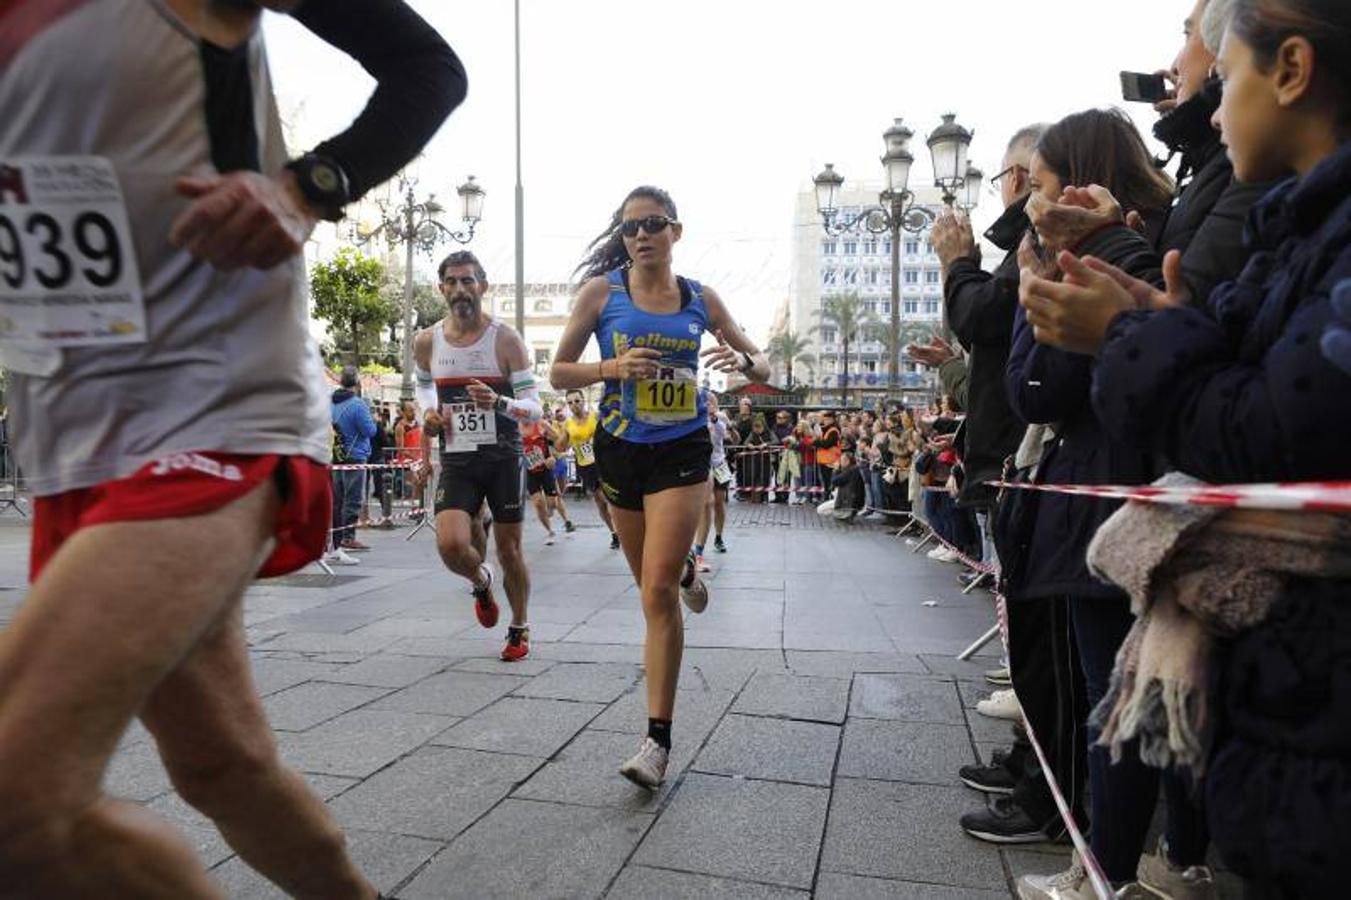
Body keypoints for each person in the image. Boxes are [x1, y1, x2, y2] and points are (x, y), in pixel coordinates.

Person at [0, 1, 464, 897]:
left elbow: (425, 68)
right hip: (71, 439)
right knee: (223, 767)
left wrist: (305, 188)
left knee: (17, 803)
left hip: (214, 406)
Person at [1020, 1, 1351, 894]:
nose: (1209, 110)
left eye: (1226, 76)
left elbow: (1277, 428)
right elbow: (1235, 348)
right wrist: (1153, 318)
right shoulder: (1298, 229)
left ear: (1289, 71)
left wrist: (1130, 333)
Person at [550, 185, 769, 788]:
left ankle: (657, 741)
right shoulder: (603, 294)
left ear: (676, 231)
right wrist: (610, 368)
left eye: (653, 224)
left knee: (654, 593)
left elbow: (764, 366)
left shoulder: (699, 297)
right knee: (654, 584)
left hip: (683, 447)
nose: (641, 235)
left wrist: (744, 363)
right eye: (629, 228)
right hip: (621, 451)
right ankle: (689, 572)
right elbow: (558, 370)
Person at [414, 250, 541, 664]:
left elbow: (534, 407)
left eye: (468, 281)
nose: (459, 289)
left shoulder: (505, 340)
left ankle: (519, 625)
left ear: (483, 286)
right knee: (451, 545)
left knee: (510, 550)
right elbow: (422, 390)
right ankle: (480, 579)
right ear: (441, 289)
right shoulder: (428, 341)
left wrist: (499, 402)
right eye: (451, 282)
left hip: (503, 457)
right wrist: (427, 416)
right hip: (458, 459)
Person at [558, 388, 619, 548]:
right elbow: (561, 447)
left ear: (583, 401)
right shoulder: (568, 424)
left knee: (608, 497)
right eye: (570, 402)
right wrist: (557, 435)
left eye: (577, 401)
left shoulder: (595, 416)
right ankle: (614, 533)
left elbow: (612, 431)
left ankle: (621, 530)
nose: (574, 405)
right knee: (600, 501)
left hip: (603, 461)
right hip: (585, 465)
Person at [329, 366, 376, 561]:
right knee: (353, 498)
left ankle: (336, 539)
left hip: (336, 455)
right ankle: (348, 537)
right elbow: (370, 431)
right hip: (355, 456)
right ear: (357, 383)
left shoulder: (329, 403)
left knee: (338, 499)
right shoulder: (358, 404)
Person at [692, 392, 733, 571]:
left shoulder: (718, 420)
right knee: (706, 503)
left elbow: (722, 434)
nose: (708, 405)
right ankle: (698, 549)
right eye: (705, 402)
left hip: (718, 464)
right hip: (701, 464)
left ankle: (718, 536)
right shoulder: (696, 418)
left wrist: (715, 418)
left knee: (719, 503)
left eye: (711, 402)